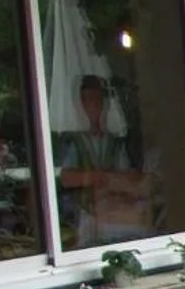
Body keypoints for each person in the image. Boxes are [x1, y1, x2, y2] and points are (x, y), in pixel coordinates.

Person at [55, 75, 151, 246]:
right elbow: (66, 178)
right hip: (83, 214)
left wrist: (114, 181)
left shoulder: (114, 142)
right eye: (89, 100)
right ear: (80, 105)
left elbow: (128, 176)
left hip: (113, 213)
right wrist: (95, 177)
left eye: (99, 100)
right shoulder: (72, 141)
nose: (94, 106)